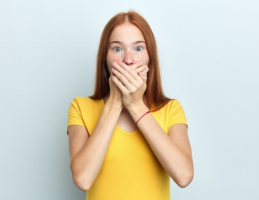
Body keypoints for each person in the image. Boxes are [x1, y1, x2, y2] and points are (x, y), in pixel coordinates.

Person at [67, 10, 194, 200]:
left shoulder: (171, 109)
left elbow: (184, 176)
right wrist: (116, 102)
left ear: (150, 57)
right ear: (105, 58)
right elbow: (83, 179)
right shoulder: (80, 107)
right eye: (117, 49)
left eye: (138, 48)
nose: (128, 60)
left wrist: (136, 106)